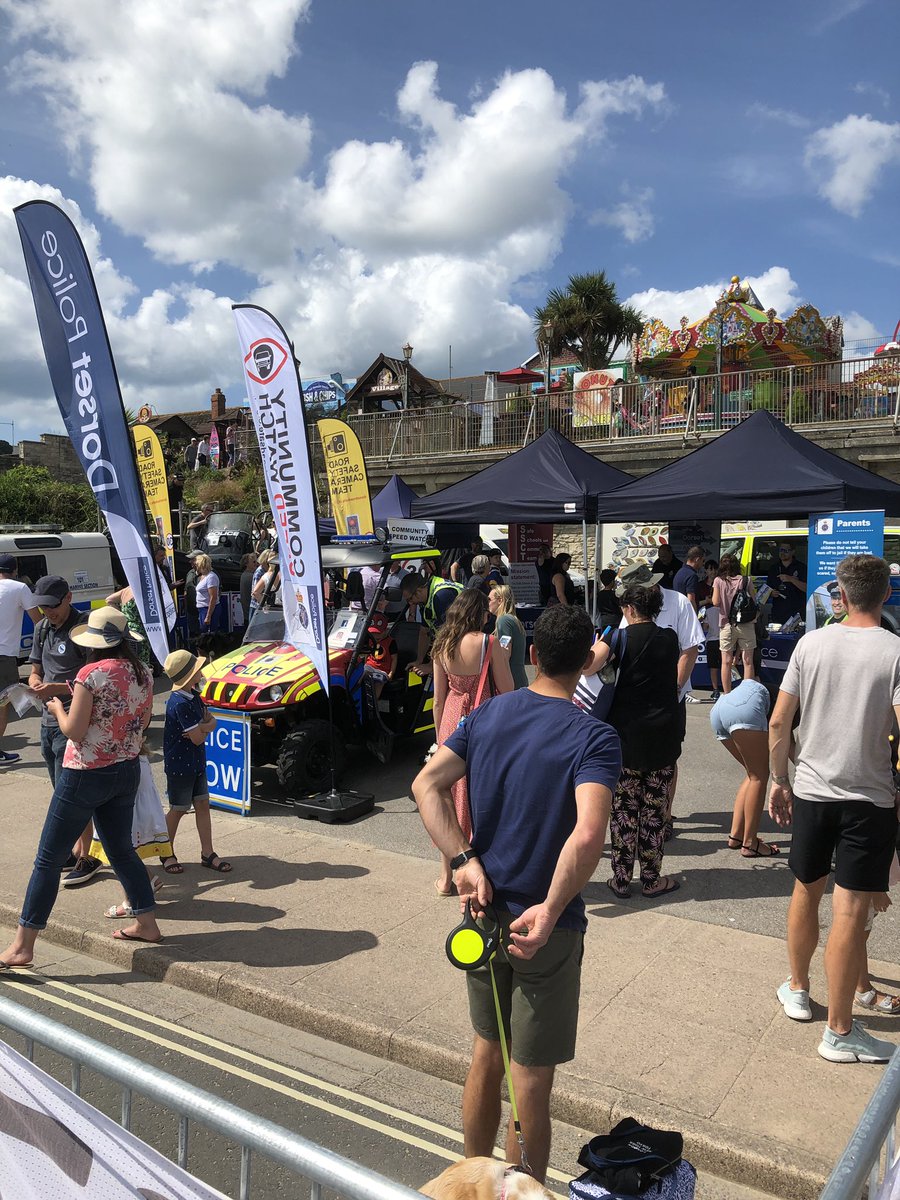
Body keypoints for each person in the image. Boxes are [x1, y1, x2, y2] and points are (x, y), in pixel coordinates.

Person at [412, 606, 621, 1182]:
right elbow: (588, 833)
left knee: (486, 1051)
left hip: (484, 912)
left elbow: (426, 784)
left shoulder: (489, 715)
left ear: (531, 655)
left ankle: (473, 1182)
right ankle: (520, 1191)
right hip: (544, 928)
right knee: (530, 1077)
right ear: (585, 664)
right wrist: (552, 909)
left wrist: (463, 862)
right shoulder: (594, 736)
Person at [769, 554, 899, 1064]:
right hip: (869, 797)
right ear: (886, 594)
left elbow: (780, 723)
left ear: (840, 596)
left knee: (805, 889)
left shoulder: (811, 643)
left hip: (812, 789)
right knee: (850, 909)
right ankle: (841, 1030)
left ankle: (799, 987)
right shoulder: (894, 651)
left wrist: (779, 780)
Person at [0, 606, 161, 968]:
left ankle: (23, 946)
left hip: (85, 772)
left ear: (93, 644)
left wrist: (57, 707)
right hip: (126, 770)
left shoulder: (91, 674)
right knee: (121, 851)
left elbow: (73, 730)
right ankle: (147, 923)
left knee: (48, 858)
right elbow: (143, 720)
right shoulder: (144, 673)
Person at [582, 576, 682, 898]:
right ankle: (652, 880)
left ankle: (622, 879)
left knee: (624, 811)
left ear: (628, 608)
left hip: (624, 739)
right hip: (662, 738)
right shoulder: (670, 638)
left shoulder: (618, 637)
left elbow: (587, 667)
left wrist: (604, 638)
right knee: (653, 811)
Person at [431, 590, 514, 895]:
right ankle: (480, 868)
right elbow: (507, 689)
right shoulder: (488, 643)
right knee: (481, 794)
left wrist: (440, 740)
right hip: (483, 718)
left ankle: (445, 875)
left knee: (449, 795)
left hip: (452, 719)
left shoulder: (441, 644)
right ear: (479, 613)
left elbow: (438, 701)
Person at [617, 564, 703, 838]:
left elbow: (689, 649)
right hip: (637, 697)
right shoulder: (631, 609)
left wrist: (674, 688)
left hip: (669, 696)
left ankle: (664, 816)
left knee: (668, 755)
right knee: (635, 758)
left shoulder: (677, 602)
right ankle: (641, 815)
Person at [161, 650, 232, 875]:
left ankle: (207, 852)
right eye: (197, 669)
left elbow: (210, 722)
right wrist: (205, 725)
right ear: (190, 675)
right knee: (178, 808)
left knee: (202, 804)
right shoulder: (179, 703)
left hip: (196, 760)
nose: (201, 672)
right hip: (180, 765)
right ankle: (165, 849)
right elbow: (200, 735)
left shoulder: (193, 696)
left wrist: (204, 725)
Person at [94, 740, 171, 918]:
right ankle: (147, 880)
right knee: (121, 845)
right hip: (130, 761)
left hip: (118, 764)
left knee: (119, 847)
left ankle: (131, 900)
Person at [710, 679, 780, 858]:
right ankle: (750, 843)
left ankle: (736, 836)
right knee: (759, 776)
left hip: (721, 706)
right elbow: (788, 744)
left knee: (752, 774)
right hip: (747, 704)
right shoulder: (799, 704)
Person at [0, 553, 41, 765]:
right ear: (14, 571)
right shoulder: (19, 588)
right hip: (3, 654)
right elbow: (37, 620)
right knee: (2, 703)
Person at [401, 571, 464, 674]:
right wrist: (419, 661)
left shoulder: (441, 596)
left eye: (410, 599)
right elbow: (424, 632)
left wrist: (431, 666)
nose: (410, 603)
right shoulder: (426, 599)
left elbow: (448, 634)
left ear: (418, 591)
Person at [713, 554, 757, 694]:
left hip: (726, 624)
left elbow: (715, 602)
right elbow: (754, 602)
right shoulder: (746, 580)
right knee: (748, 660)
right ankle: (747, 694)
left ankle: (726, 694)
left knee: (726, 661)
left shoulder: (718, 581)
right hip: (746, 624)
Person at [105, 584, 154, 671]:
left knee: (130, 659)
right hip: (141, 631)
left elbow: (109, 600)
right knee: (143, 661)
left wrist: (121, 614)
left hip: (127, 630)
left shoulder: (126, 590)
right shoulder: (143, 591)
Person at [489, 585, 527, 690]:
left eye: (489, 599)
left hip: (511, 680)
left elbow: (505, 652)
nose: (487, 603)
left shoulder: (504, 621)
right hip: (518, 678)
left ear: (500, 600)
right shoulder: (512, 620)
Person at [766, 542, 807, 626]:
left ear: (793, 552)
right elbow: (767, 589)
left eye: (786, 550)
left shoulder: (801, 567)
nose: (782, 553)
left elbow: (806, 588)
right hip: (778, 611)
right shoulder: (773, 568)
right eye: (781, 550)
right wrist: (771, 593)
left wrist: (791, 579)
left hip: (796, 611)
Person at [364, 612, 397, 698]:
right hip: (370, 666)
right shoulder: (370, 640)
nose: (375, 636)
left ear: (385, 631)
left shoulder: (390, 642)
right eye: (373, 633)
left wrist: (391, 673)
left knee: (380, 681)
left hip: (383, 669)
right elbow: (366, 655)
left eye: (378, 633)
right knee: (361, 674)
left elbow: (394, 659)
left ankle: (374, 702)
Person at [702, 560, 722, 699]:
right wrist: (706, 602)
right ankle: (718, 689)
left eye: (715, 569)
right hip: (713, 633)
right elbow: (695, 603)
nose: (713, 572)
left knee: (725, 663)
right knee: (716, 665)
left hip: (721, 634)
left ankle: (723, 688)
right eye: (710, 569)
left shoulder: (722, 583)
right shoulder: (700, 585)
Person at [673, 546, 705, 613]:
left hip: (678, 612)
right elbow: (691, 599)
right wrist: (694, 619)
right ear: (697, 559)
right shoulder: (692, 575)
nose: (703, 564)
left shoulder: (679, 572)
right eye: (703, 560)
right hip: (687, 615)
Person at [193, 554, 221, 633]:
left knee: (208, 634)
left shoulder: (211, 577)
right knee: (203, 632)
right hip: (202, 609)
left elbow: (213, 597)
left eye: (196, 564)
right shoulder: (203, 576)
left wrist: (208, 616)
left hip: (209, 609)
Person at [239, 552, 259, 626]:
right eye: (253, 562)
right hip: (251, 612)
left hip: (248, 613)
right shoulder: (250, 577)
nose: (256, 564)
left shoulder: (245, 575)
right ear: (246, 564)